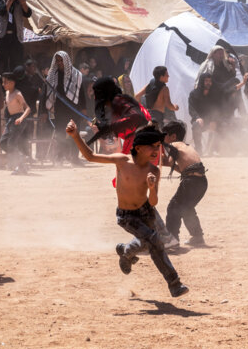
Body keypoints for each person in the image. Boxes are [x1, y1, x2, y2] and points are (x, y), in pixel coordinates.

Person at [66, 121, 189, 298]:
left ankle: (126, 251)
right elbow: (91, 156)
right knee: (154, 240)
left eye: (158, 146)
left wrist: (152, 187)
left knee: (150, 242)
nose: (156, 151)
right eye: (152, 146)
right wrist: (76, 136)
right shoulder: (122, 161)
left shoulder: (153, 170)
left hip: (146, 211)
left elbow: (153, 202)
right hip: (127, 215)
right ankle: (174, 283)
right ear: (138, 148)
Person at [162, 121, 208, 247]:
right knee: (187, 208)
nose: (163, 138)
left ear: (173, 136)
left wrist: (159, 150)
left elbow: (167, 161)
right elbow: (181, 167)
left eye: (164, 135)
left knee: (173, 207)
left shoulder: (174, 145)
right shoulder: (186, 146)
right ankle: (197, 236)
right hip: (201, 181)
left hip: (191, 182)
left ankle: (172, 239)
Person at [46, 51, 87, 166]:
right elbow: (47, 92)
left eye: (61, 60)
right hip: (60, 109)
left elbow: (81, 92)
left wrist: (83, 108)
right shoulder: (53, 75)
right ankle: (59, 158)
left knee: (75, 135)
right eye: (57, 60)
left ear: (66, 60)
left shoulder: (76, 75)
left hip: (73, 109)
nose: (59, 63)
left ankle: (74, 158)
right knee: (60, 134)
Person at [0, 0, 33, 72]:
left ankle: (16, 83)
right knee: (2, 64)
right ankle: (2, 81)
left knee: (17, 63)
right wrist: (10, 0)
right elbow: (2, 11)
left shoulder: (19, 1)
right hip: (2, 36)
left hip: (16, 37)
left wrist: (23, 3)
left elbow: (28, 13)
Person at [0, 72, 31, 174]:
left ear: (12, 83)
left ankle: (20, 166)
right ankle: (21, 159)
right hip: (11, 120)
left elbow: (28, 108)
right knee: (3, 143)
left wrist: (21, 118)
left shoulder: (18, 94)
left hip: (19, 119)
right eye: (3, 82)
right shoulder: (7, 93)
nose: (3, 84)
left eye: (5, 82)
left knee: (11, 143)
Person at [188, 73, 220, 154]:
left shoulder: (214, 95)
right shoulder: (194, 94)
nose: (208, 83)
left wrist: (213, 120)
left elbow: (216, 109)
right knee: (196, 126)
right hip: (199, 120)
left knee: (223, 125)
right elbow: (191, 109)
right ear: (202, 81)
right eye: (206, 81)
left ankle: (215, 149)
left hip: (211, 120)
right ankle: (199, 149)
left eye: (210, 81)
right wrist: (197, 117)